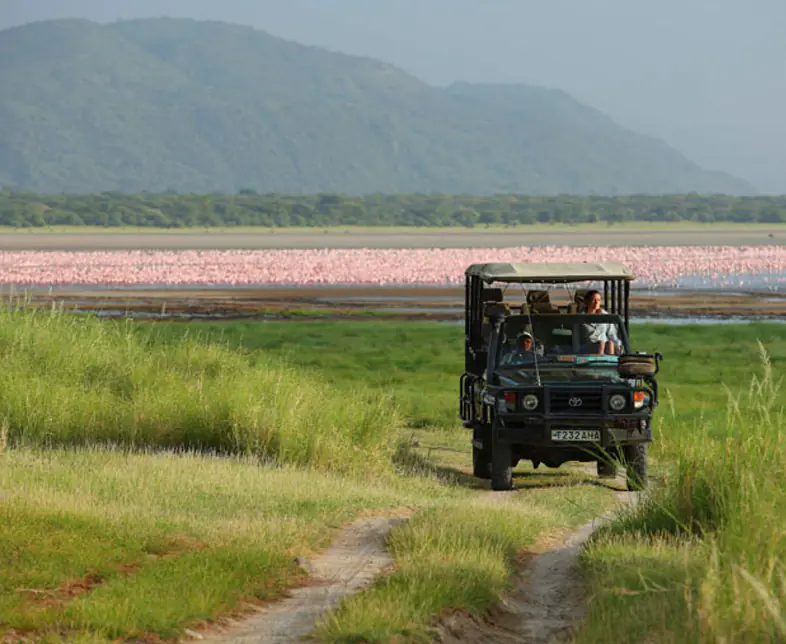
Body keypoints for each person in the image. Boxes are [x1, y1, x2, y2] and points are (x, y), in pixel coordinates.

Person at [582, 290, 620, 355]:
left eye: (599, 300)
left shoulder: (606, 315)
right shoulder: (579, 318)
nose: (596, 302)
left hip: (606, 349)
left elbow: (612, 334)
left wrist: (618, 346)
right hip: (588, 349)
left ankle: (609, 361)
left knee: (609, 343)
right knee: (601, 344)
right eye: (594, 300)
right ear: (587, 301)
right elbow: (576, 339)